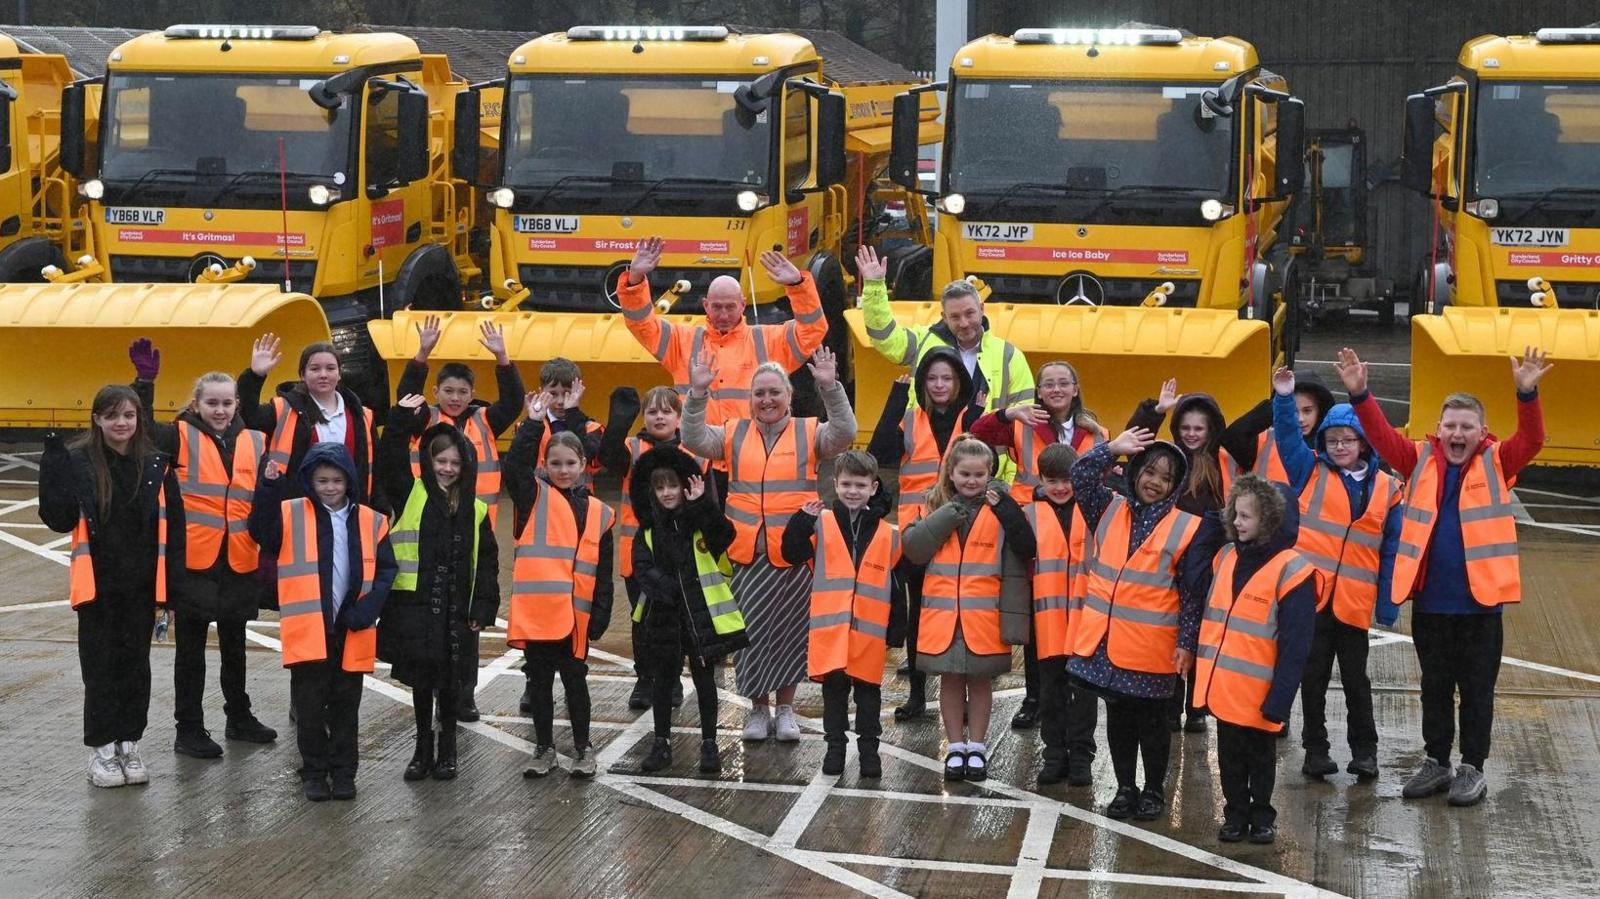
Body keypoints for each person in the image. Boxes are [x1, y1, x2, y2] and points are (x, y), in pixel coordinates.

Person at [1337, 345, 1551, 807]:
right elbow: (1378, 436)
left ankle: (1473, 767)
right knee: (1433, 689)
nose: (1457, 433)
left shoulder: (1498, 462)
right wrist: (1360, 395)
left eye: (1466, 427)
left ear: (1481, 432)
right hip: (1431, 604)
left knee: (1477, 692)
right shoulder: (1418, 460)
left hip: (1480, 606)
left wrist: (1526, 394)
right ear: (1438, 431)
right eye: (1450, 426)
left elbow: (1532, 440)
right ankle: (1437, 760)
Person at [680, 346, 857, 742]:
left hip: (794, 553)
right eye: (759, 393)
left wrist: (830, 388)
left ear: (789, 398)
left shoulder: (810, 432)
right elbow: (692, 437)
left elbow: (845, 433)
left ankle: (787, 709)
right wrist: (697, 394)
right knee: (751, 636)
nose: (766, 400)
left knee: (790, 633)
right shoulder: (733, 433)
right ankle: (758, 710)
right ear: (750, 399)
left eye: (775, 392)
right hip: (746, 553)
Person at [127, 341, 277, 759]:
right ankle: (188, 728)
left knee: (235, 645)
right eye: (212, 403)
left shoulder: (252, 440)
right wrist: (144, 384)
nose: (220, 410)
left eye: (227, 403)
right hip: (193, 562)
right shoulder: (178, 435)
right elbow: (138, 429)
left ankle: (239, 717)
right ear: (196, 404)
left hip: (239, 559)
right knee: (190, 652)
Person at [39, 384, 184, 788]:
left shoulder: (156, 463)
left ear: (138, 420)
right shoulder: (79, 460)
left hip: (141, 587)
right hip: (98, 588)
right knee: (100, 671)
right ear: (97, 420)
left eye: (129, 415)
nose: (121, 423)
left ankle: (129, 744)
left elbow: (176, 532)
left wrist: (170, 591)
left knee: (136, 670)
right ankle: (102, 751)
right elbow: (58, 518)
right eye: (112, 415)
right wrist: (52, 466)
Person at [1068, 428, 1213, 821]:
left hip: (1153, 646)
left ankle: (1153, 790)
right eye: (1149, 472)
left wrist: (1186, 644)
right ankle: (1125, 787)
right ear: (1134, 472)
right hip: (1107, 643)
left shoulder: (1187, 526)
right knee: (1118, 720)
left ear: (1176, 485)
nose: (1155, 482)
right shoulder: (1109, 507)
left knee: (1154, 723)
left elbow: (1191, 595)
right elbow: (1079, 475)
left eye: (1166, 478)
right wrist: (1111, 449)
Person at [1269, 367, 1402, 782]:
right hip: (1312, 598)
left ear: (1363, 442)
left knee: (1358, 684)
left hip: (1355, 604)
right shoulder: (1308, 470)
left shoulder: (1387, 488)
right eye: (1332, 439)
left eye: (1347, 439)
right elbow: (1288, 435)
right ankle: (1316, 750)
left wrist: (1388, 601)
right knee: (1313, 679)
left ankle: (1366, 752)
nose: (1339, 446)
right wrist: (1284, 397)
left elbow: (1392, 549)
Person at [393, 316, 525, 723]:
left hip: (473, 529)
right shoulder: (425, 422)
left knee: (467, 617)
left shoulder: (485, 420)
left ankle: (464, 693)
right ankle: (428, 688)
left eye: (462, 392)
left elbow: (513, 401)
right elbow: (404, 397)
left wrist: (503, 357)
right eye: (447, 391)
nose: (454, 397)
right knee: (432, 613)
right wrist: (422, 354)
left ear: (472, 394)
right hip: (430, 527)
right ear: (436, 392)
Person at [250, 443, 396, 802]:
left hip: (352, 628)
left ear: (349, 481)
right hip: (309, 631)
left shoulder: (371, 520)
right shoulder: (289, 513)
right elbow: (260, 532)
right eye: (321, 481)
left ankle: (344, 772)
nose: (330, 487)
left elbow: (386, 570)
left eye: (336, 480)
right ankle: (313, 772)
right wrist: (267, 486)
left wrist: (367, 610)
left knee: (347, 708)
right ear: (309, 482)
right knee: (310, 709)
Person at [970, 359, 1107, 729]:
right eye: (1048, 384)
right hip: (1032, 530)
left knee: (1076, 617)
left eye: (1064, 383)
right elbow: (976, 432)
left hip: (1077, 534)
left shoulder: (1091, 430)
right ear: (1038, 391)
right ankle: (1036, 699)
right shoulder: (1023, 423)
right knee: (1036, 621)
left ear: (1076, 389)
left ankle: (1075, 694)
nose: (1056, 389)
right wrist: (1007, 412)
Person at [376, 400, 500, 782]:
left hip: (455, 608)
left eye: (455, 463)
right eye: (440, 461)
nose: (447, 469)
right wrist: (398, 418)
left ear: (466, 467)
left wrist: (482, 606)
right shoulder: (410, 493)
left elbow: (489, 562)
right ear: (428, 462)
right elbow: (388, 459)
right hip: (417, 606)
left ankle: (448, 749)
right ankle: (421, 748)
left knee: (449, 685)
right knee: (421, 682)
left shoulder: (475, 509)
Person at [1194, 475, 1319, 845]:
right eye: (1235, 514)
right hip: (1226, 689)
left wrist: (1280, 698)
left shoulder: (1293, 570)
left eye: (1246, 516)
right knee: (1230, 758)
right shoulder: (1227, 556)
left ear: (1269, 520)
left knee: (1261, 759)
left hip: (1263, 692)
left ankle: (1262, 814)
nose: (1236, 522)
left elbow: (1297, 645)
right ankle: (1235, 813)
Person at [901, 436, 1034, 782]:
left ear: (990, 473)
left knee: (979, 682)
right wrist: (945, 515)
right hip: (942, 616)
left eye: (979, 474)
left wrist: (1005, 508)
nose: (972, 481)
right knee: (949, 681)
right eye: (965, 474)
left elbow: (1024, 547)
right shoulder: (933, 504)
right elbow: (913, 549)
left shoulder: (1001, 506)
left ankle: (977, 746)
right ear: (952, 474)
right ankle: (955, 746)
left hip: (983, 616)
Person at [866, 344, 983, 721]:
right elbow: (879, 451)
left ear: (959, 382)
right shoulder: (911, 418)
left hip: (962, 529)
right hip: (918, 534)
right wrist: (897, 397)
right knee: (918, 614)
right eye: (931, 378)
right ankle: (918, 693)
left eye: (946, 377)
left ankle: (964, 694)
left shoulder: (973, 416)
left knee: (965, 614)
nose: (939, 384)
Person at [618, 235, 828, 435]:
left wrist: (797, 286)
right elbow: (641, 324)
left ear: (743, 305)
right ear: (706, 306)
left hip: (751, 450)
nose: (724, 314)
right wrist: (635, 279)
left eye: (730, 307)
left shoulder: (768, 340)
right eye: (717, 307)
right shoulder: (682, 341)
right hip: (698, 454)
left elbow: (813, 329)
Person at [782, 450, 906, 779]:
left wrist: (897, 627)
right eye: (847, 484)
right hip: (830, 632)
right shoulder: (820, 524)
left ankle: (869, 753)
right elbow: (790, 553)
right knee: (834, 696)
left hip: (869, 634)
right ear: (835, 485)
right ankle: (834, 750)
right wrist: (799, 522)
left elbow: (895, 584)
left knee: (868, 698)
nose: (853, 491)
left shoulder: (887, 533)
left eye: (860, 485)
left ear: (874, 487)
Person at [630, 447, 749, 775]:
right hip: (664, 617)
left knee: (705, 681)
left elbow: (724, 536)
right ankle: (661, 743)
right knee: (663, 683)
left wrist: (701, 504)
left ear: (685, 486)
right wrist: (670, 591)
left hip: (700, 618)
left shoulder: (698, 522)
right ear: (652, 492)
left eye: (673, 486)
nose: (667, 493)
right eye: (660, 487)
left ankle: (709, 744)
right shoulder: (649, 531)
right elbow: (642, 568)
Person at [505, 427, 614, 779]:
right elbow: (514, 468)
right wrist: (533, 426)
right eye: (555, 463)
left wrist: (600, 614)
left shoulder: (600, 513)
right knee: (538, 682)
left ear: (584, 464)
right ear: (544, 464)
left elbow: (604, 572)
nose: (563, 470)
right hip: (538, 614)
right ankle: (544, 748)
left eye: (570, 463)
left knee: (574, 680)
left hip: (576, 616)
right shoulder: (532, 498)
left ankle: (584, 747)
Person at [1126, 378, 1231, 733]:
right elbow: (1135, 446)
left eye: (1198, 428)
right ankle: (1172, 702)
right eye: (1184, 427)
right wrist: (1154, 411)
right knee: (1172, 631)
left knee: (1201, 630)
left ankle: (1196, 705)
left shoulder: (1221, 462)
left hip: (1207, 558)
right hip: (1171, 553)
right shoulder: (1170, 458)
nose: (1190, 434)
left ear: (1211, 429)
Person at [599, 385, 705, 713]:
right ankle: (645, 678)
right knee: (642, 618)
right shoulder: (632, 447)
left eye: (666, 411)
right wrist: (618, 422)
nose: (659, 416)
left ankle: (671, 679)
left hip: (679, 550)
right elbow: (607, 456)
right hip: (639, 553)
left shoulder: (693, 450)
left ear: (679, 417)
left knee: (676, 619)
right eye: (652, 411)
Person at [510, 365, 605, 714]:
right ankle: (533, 681)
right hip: (539, 526)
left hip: (579, 527)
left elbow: (595, 452)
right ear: (541, 390)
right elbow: (519, 465)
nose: (561, 398)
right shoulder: (530, 425)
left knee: (575, 602)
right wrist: (534, 420)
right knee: (539, 608)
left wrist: (576, 413)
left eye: (568, 391)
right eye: (554, 390)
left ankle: (573, 675)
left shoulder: (588, 423)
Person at [858, 244, 1035, 420]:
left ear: (982, 309)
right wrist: (874, 287)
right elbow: (884, 337)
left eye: (970, 313)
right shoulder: (922, 341)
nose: (964, 323)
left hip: (986, 447)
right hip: (928, 445)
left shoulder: (1008, 355)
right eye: (955, 317)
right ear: (944, 316)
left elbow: (1024, 418)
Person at [1023, 443, 1100, 788]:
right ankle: (1055, 755)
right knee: (1051, 695)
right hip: (1048, 623)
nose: (1060, 487)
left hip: (1085, 622)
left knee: (1083, 695)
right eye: (1052, 480)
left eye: (1067, 479)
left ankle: (1082, 757)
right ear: (1040, 480)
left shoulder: (1094, 508)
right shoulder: (1030, 513)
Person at [239, 334, 382, 510]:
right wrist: (255, 376)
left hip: (350, 510)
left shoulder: (362, 416)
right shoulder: (283, 408)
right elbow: (247, 417)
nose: (323, 374)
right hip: (296, 509)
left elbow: (376, 469)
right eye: (314, 369)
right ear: (303, 375)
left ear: (339, 374)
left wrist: (379, 508)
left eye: (330, 368)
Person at [1218, 369, 1336, 483]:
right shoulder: (1265, 441)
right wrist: (1279, 403)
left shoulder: (1334, 442)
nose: (1300, 419)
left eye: (1307, 411)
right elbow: (1232, 437)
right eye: (1293, 411)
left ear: (1320, 410)